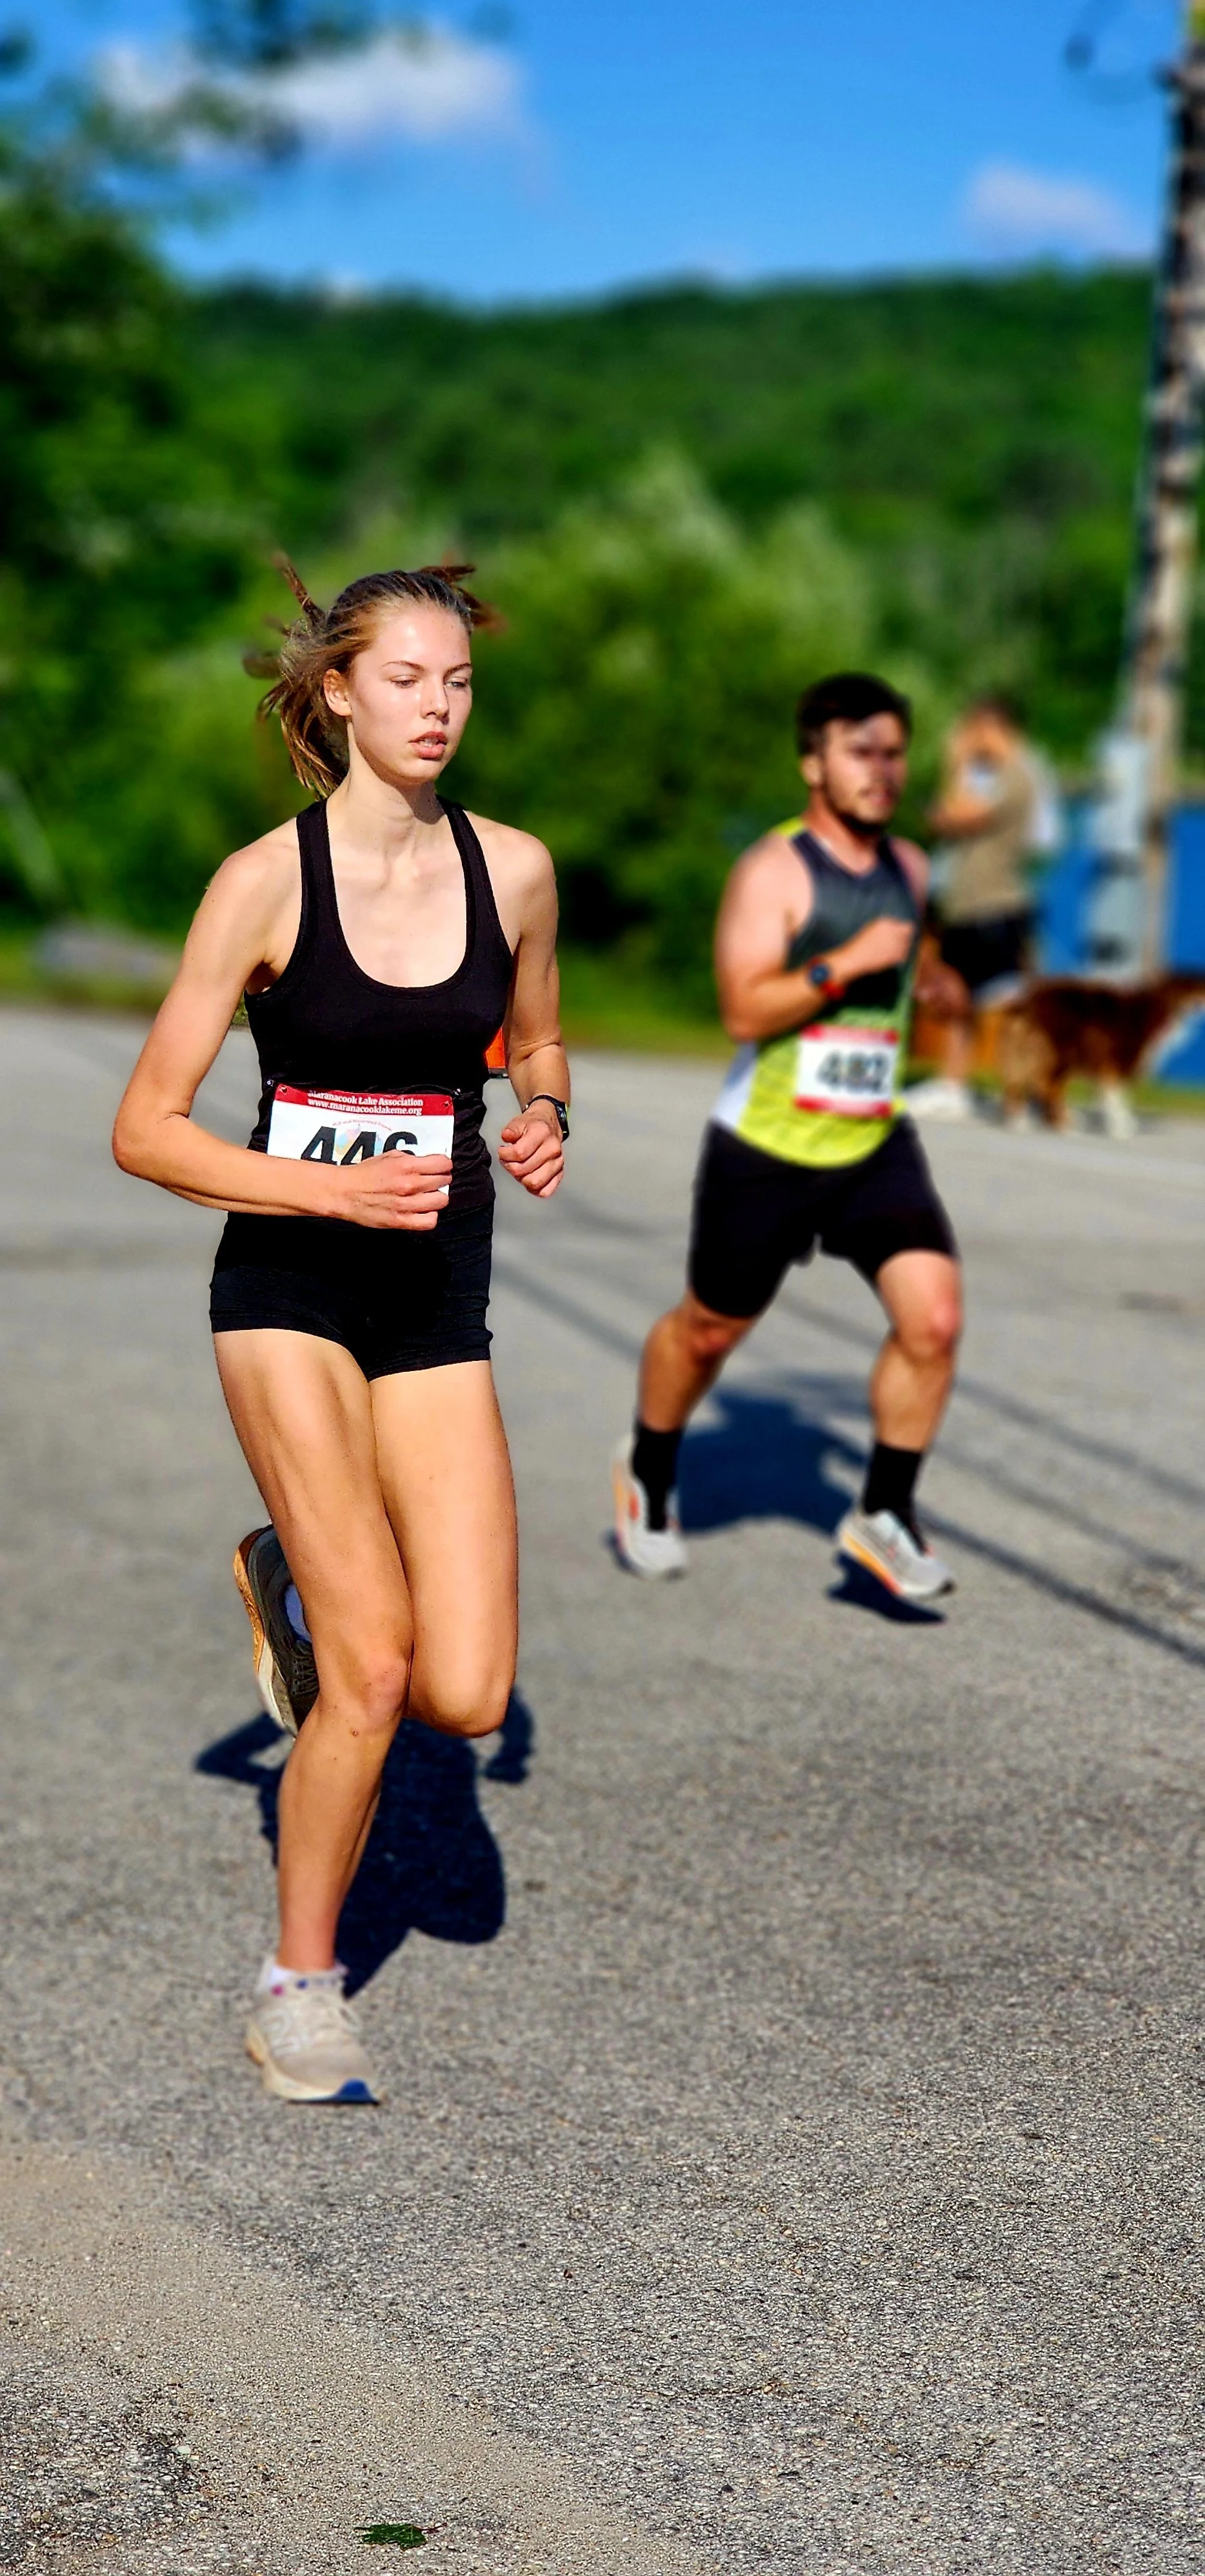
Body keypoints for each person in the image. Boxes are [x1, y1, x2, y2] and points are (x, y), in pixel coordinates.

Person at [114, 561, 569, 2103]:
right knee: (377, 1674)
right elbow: (147, 1130)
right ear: (334, 692)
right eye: (404, 680)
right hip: (289, 1292)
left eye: (455, 683)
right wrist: (316, 1189)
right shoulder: (261, 882)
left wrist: (545, 1107)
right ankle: (299, 1986)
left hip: (437, 1291)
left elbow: (538, 1030)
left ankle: (287, 1589)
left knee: (469, 1693)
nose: (435, 708)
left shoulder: (513, 870)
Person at [612, 670, 961, 1605]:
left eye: (894, 753)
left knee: (934, 1320)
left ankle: (884, 1511)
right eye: (861, 753)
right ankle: (648, 1467)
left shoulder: (915, 868)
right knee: (709, 1332)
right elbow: (741, 1006)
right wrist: (847, 962)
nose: (883, 772)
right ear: (813, 762)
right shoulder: (773, 872)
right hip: (766, 1147)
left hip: (872, 1141)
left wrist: (932, 981)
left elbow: (912, 949)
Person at [908, 694, 1044, 1123]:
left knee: (1006, 1006)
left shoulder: (1017, 773)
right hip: (965, 906)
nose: (970, 739)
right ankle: (954, 1084)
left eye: (976, 729)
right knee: (958, 999)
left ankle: (1028, 1089)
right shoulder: (989, 775)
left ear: (1000, 729)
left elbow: (957, 816)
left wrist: (955, 765)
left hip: (996, 905)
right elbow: (943, 817)